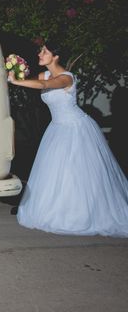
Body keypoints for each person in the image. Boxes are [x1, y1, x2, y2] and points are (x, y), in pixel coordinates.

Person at [8, 41, 128, 237]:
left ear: (55, 57)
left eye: (45, 51)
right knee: (55, 172)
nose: (40, 54)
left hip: (76, 127)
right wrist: (13, 68)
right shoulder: (43, 73)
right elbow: (35, 80)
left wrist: (15, 81)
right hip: (56, 128)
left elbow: (44, 85)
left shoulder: (66, 78)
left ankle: (79, 214)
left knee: (76, 172)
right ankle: (54, 209)